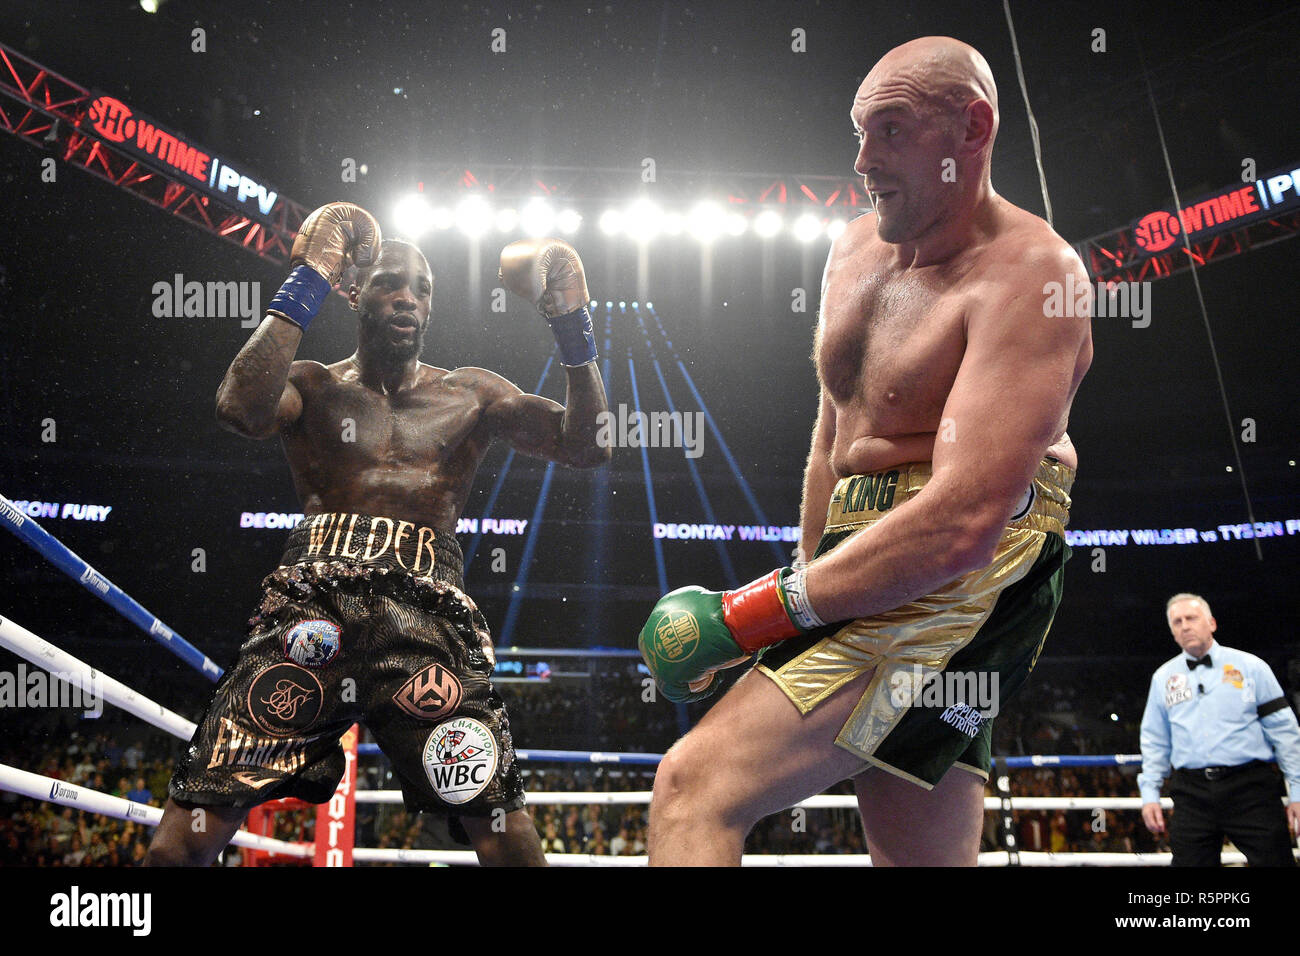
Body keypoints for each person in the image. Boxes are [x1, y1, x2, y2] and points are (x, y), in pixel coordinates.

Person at [638, 36, 1092, 866]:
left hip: (967, 563)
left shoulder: (1031, 274)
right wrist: (804, 589)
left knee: (693, 790)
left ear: (972, 128)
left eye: (890, 130)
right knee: (914, 857)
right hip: (864, 543)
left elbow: (963, 524)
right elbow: (833, 441)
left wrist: (747, 617)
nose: (862, 159)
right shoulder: (851, 249)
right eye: (858, 131)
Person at [146, 202, 610, 866]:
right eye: (391, 282)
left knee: (507, 839)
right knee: (181, 839)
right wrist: (310, 274)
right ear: (356, 291)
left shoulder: (470, 392)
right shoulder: (310, 383)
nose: (408, 298)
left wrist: (571, 324)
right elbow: (240, 407)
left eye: (422, 289)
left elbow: (588, 447)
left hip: (427, 617)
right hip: (310, 611)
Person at [1138, 593, 1299, 866]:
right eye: (1177, 622)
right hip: (1191, 793)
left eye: (1191, 618)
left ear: (1211, 623)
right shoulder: (1163, 678)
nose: (1185, 626)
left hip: (1250, 789)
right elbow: (1155, 740)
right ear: (1172, 633)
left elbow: (1285, 733)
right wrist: (1150, 794)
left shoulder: (1252, 667)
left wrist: (1297, 792)